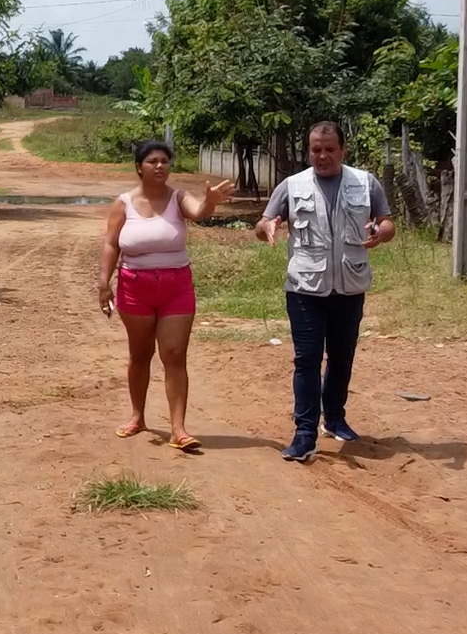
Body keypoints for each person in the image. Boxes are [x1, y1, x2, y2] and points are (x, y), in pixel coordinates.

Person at [255, 121, 396, 462]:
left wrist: (381, 232)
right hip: (305, 288)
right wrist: (268, 227)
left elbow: (387, 221)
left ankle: (334, 417)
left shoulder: (365, 183)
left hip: (350, 285)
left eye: (329, 149)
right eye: (316, 150)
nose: (322, 156)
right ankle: (305, 433)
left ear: (343, 150)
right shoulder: (292, 185)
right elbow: (263, 223)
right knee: (307, 360)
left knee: (342, 355)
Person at [98, 141, 235, 451]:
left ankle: (179, 429)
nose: (160, 166)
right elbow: (110, 244)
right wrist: (103, 281)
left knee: (174, 354)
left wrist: (210, 202)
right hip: (135, 287)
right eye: (152, 161)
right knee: (140, 354)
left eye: (164, 161)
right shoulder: (124, 204)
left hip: (176, 287)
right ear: (139, 167)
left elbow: (198, 211)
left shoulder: (178, 198)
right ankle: (137, 416)